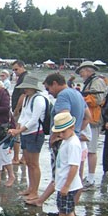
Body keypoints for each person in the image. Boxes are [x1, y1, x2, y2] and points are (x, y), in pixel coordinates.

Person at [26, 73, 88, 206]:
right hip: (75, 138)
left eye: (48, 89)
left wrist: (56, 137)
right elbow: (88, 117)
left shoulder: (63, 95)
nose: (49, 93)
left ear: (55, 83)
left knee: (59, 173)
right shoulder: (77, 94)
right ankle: (70, 207)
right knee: (75, 176)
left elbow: (63, 115)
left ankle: (57, 206)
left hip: (63, 141)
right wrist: (77, 131)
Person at [8, 76, 46, 200]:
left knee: (34, 163)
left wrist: (19, 130)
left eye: (26, 88)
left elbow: (34, 120)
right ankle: (30, 188)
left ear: (32, 88)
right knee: (28, 163)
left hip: (35, 134)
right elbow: (23, 116)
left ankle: (35, 191)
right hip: (25, 133)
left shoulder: (39, 100)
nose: (24, 90)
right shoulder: (27, 98)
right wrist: (17, 128)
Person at [51, 112, 82, 216]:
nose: (60, 135)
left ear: (72, 127)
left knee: (69, 212)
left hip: (69, 185)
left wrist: (66, 185)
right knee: (62, 209)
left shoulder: (73, 144)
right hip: (62, 182)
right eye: (59, 133)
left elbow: (74, 167)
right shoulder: (66, 140)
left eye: (63, 132)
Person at [76, 61, 108, 190]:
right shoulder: (92, 82)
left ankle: (91, 178)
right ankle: (87, 177)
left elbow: (98, 100)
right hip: (90, 118)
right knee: (87, 149)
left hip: (94, 120)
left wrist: (81, 99)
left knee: (92, 150)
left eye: (81, 71)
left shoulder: (97, 82)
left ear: (88, 70)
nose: (80, 74)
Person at [11, 60, 28, 164]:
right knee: (22, 133)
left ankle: (16, 157)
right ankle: (23, 157)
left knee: (16, 132)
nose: (15, 72)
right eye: (13, 70)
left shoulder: (23, 78)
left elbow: (23, 95)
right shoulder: (23, 78)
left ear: (22, 67)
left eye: (16, 69)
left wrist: (16, 109)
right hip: (23, 110)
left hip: (20, 110)